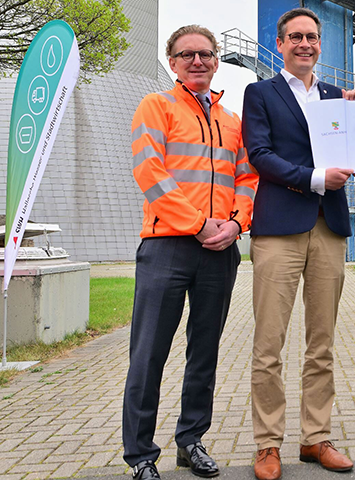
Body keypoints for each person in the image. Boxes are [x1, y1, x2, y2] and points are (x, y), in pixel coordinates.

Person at [123, 25, 257, 480]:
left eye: (205, 54)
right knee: (149, 353)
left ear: (216, 60)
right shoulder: (156, 106)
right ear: (172, 62)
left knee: (205, 352)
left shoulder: (232, 121)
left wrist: (236, 224)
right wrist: (198, 224)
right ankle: (140, 455)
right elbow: (149, 171)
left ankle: (191, 441)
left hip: (221, 249)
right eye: (186, 55)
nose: (197, 61)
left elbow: (247, 178)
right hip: (167, 245)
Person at [241, 8, 355, 480]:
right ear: (279, 43)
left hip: (328, 227)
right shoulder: (260, 93)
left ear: (320, 44)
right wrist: (313, 178)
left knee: (322, 343)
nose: (305, 44)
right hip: (279, 229)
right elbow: (260, 154)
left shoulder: (335, 96)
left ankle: (316, 437)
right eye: (295, 37)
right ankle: (267, 444)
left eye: (312, 37)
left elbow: (352, 151)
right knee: (268, 344)